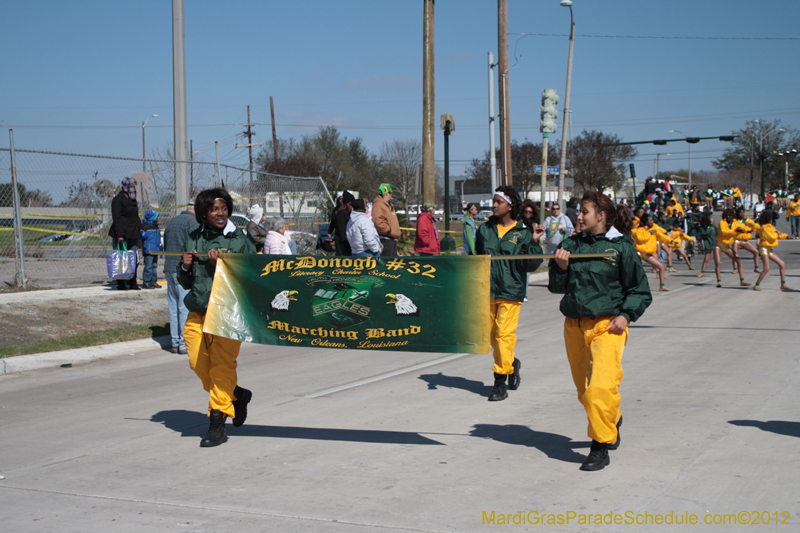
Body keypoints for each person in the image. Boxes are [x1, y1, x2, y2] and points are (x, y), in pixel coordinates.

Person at [549, 192, 653, 471]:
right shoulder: (571, 244)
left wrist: (626, 315)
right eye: (579, 212)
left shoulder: (620, 247)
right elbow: (557, 286)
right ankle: (612, 417)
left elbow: (639, 290)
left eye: (584, 212)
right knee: (585, 392)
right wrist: (561, 267)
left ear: (601, 216)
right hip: (574, 325)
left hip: (608, 326)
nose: (578, 217)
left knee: (599, 388)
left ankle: (600, 445)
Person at [179, 188, 257, 447]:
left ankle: (216, 425)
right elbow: (185, 281)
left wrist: (221, 264)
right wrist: (185, 266)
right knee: (198, 363)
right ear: (203, 213)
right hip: (198, 310)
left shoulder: (238, 239)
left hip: (228, 312)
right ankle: (235, 395)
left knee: (221, 367)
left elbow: (249, 274)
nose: (220, 213)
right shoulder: (193, 238)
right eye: (214, 209)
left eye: (223, 209)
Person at [476, 186, 545, 402]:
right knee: (490, 335)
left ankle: (499, 381)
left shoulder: (523, 233)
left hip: (511, 291)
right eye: (493, 201)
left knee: (503, 335)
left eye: (499, 201)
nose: (494, 205)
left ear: (510, 205)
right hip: (487, 291)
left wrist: (534, 243)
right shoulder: (484, 230)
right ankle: (511, 363)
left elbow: (531, 265)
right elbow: (478, 257)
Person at [162, 197, 198, 354]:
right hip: (182, 270)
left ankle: (175, 341)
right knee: (184, 307)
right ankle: (184, 343)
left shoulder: (172, 222)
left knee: (173, 306)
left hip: (169, 268)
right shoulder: (193, 223)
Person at [108, 177, 142, 290]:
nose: (133, 188)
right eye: (131, 186)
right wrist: (120, 235)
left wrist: (140, 228)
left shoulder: (133, 200)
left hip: (133, 232)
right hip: (123, 233)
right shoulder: (117, 200)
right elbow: (117, 218)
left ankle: (132, 281)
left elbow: (136, 216)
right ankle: (121, 282)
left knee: (133, 258)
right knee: (122, 258)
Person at [753, 211, 793, 291]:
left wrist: (787, 237)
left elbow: (777, 235)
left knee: (782, 264)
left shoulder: (770, 227)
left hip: (768, 249)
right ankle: (756, 285)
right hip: (763, 249)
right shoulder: (764, 228)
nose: (772, 220)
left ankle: (783, 284)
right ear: (768, 219)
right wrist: (776, 233)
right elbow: (771, 237)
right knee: (766, 268)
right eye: (771, 218)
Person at [631, 214, 669, 291]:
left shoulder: (652, 229)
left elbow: (661, 236)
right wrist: (650, 233)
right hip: (639, 252)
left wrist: (671, 241)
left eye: (652, 220)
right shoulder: (640, 229)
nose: (653, 221)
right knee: (635, 270)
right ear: (646, 222)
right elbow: (640, 239)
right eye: (651, 220)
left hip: (646, 253)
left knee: (661, 266)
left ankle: (662, 286)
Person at [714, 208, 750, 288]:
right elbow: (723, 232)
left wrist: (747, 230)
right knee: (718, 263)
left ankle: (742, 280)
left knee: (739, 261)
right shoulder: (722, 222)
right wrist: (734, 230)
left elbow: (741, 227)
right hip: (718, 244)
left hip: (726, 246)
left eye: (730, 215)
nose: (729, 217)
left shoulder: (734, 223)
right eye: (727, 215)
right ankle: (718, 281)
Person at [371, 183, 401, 256]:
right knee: (387, 265)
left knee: (393, 265)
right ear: (386, 193)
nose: (391, 195)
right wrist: (389, 231)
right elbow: (377, 221)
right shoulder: (378, 205)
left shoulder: (388, 205)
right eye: (390, 193)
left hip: (391, 240)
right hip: (385, 240)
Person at [732, 207, 760, 274]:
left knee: (756, 252)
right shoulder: (735, 221)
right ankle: (735, 268)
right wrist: (747, 229)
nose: (742, 214)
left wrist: (751, 225)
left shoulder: (747, 220)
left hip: (744, 240)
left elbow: (757, 226)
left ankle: (756, 268)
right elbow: (735, 228)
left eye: (743, 212)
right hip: (736, 239)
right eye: (740, 213)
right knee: (735, 254)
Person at [140, 210, 162, 289]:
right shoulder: (145, 227)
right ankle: (146, 282)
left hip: (155, 250)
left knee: (154, 266)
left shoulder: (156, 227)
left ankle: (153, 282)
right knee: (148, 267)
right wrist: (143, 234)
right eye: (156, 217)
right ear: (152, 218)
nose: (158, 218)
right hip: (149, 250)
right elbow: (142, 236)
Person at [328, 191, 354, 256]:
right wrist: (329, 232)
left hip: (348, 241)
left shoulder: (349, 213)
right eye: (340, 199)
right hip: (341, 241)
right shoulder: (340, 213)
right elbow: (334, 223)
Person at [695, 211, 717, 278]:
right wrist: (709, 229)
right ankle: (702, 272)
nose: (712, 220)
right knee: (706, 259)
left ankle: (717, 272)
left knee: (716, 259)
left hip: (715, 244)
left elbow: (718, 234)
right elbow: (704, 234)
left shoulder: (714, 227)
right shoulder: (704, 227)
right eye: (710, 219)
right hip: (708, 244)